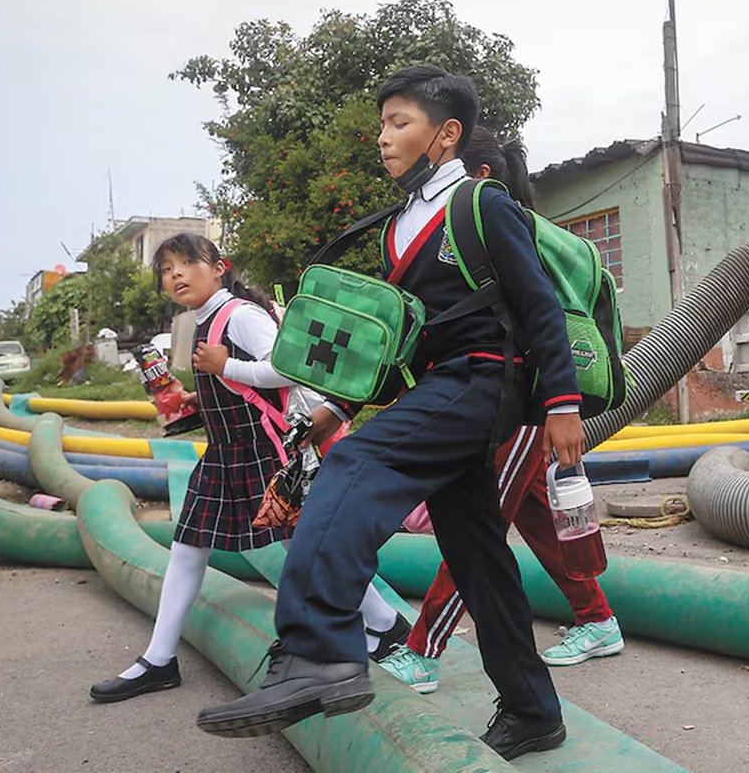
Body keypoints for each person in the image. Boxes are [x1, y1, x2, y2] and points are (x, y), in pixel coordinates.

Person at [196, 65, 584, 762]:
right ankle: (533, 710)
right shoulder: (401, 225)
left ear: (447, 134)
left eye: (399, 122)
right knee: (476, 555)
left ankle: (319, 652)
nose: (383, 138)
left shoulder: (479, 204)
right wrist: (336, 405)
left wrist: (561, 404)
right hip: (438, 386)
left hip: (482, 384)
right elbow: (398, 338)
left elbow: (539, 309)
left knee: (356, 464)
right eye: (382, 124)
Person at [89, 234, 409, 704]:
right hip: (224, 452)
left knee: (307, 542)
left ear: (220, 267)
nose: (176, 274)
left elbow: (292, 367)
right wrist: (198, 400)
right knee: (189, 547)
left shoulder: (238, 314)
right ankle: (159, 659)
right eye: (166, 268)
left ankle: (385, 623)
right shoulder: (201, 321)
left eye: (187, 263)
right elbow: (238, 385)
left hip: (265, 450)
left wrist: (227, 369)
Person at [380, 127, 623, 695]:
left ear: (481, 178)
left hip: (518, 401)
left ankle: (422, 651)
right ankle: (598, 619)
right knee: (534, 512)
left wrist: (558, 406)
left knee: (476, 529)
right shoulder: (486, 229)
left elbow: (539, 320)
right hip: (512, 400)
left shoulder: (494, 222)